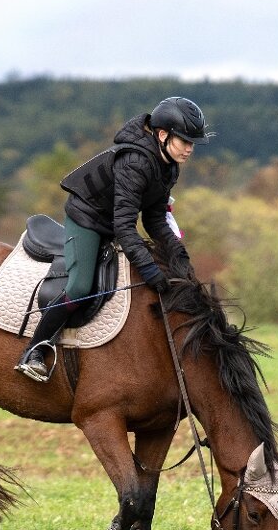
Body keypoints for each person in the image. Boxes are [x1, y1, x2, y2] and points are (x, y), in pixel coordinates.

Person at [14, 97, 211, 382]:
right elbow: (125, 226)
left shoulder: (168, 165)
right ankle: (34, 350)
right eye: (185, 141)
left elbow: (155, 220)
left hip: (113, 223)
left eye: (194, 142)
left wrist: (180, 257)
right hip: (87, 220)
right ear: (163, 135)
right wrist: (151, 271)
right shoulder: (135, 162)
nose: (191, 148)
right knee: (81, 286)